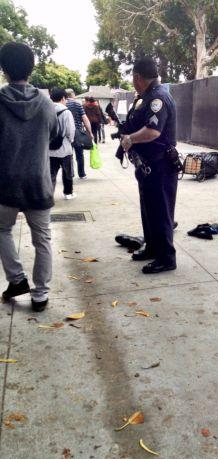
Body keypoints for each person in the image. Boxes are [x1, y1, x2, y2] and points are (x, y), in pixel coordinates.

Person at [0, 42, 58, 312]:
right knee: (42, 239)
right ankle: (40, 295)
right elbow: (55, 136)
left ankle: (16, 279)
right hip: (38, 182)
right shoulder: (46, 105)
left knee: (1, 230)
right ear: (32, 68)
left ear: (4, 69)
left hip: (5, 183)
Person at [121, 57, 178, 274]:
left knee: (161, 211)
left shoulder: (158, 98)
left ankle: (166, 258)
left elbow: (152, 132)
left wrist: (130, 140)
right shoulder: (146, 97)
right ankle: (153, 248)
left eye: (133, 79)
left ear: (137, 77)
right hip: (147, 165)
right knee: (149, 209)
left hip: (161, 165)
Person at [49, 88, 76, 199]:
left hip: (49, 149)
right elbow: (70, 130)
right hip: (64, 148)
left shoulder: (46, 110)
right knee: (67, 172)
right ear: (63, 98)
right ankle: (68, 193)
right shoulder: (66, 112)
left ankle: (49, 195)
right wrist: (71, 140)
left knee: (51, 174)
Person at [66, 89, 92, 179]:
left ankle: (70, 173)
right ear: (72, 94)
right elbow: (85, 119)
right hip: (77, 132)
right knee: (79, 154)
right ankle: (82, 174)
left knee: (69, 155)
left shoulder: (63, 104)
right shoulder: (77, 104)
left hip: (66, 133)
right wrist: (90, 132)